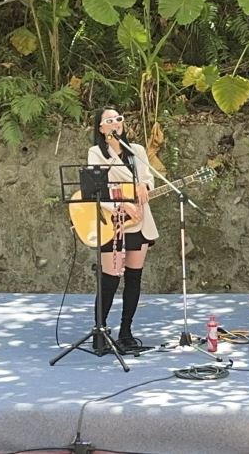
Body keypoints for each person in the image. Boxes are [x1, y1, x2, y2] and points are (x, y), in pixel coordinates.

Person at [87, 108, 158, 354]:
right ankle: (100, 331)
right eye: (109, 120)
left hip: (138, 220)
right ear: (101, 128)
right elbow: (95, 189)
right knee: (110, 277)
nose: (116, 123)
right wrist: (120, 204)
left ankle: (126, 331)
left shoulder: (136, 150)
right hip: (112, 219)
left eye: (119, 119)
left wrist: (145, 186)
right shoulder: (96, 153)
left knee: (134, 276)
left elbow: (149, 178)